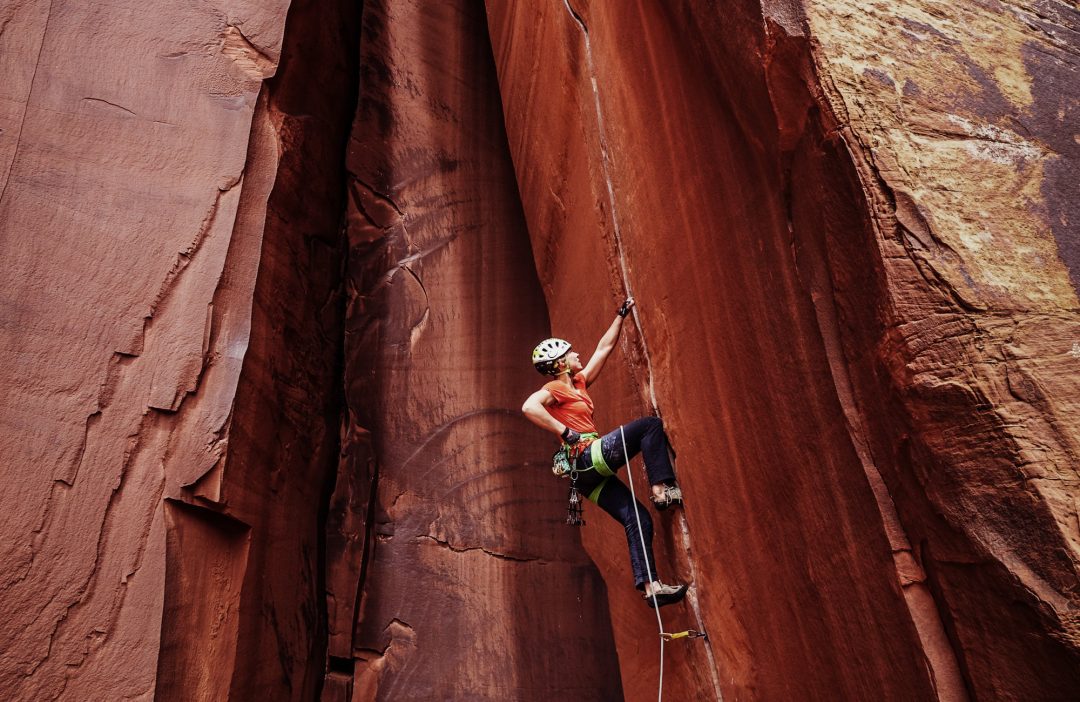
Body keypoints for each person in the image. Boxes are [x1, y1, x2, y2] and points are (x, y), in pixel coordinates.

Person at [521, 297, 688, 608]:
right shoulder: (556, 390)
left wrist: (620, 317)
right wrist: (565, 432)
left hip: (585, 479)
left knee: (636, 517)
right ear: (560, 364)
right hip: (586, 456)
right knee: (650, 426)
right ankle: (662, 489)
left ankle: (651, 587)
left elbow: (603, 349)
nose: (577, 354)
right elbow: (529, 406)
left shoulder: (579, 384)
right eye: (571, 353)